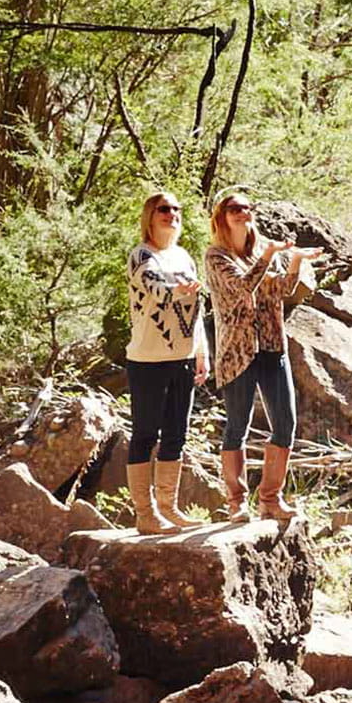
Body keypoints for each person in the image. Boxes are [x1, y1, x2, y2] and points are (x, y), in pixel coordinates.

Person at [204, 193, 323, 521]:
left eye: (247, 208)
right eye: (234, 209)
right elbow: (244, 287)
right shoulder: (215, 256)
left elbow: (283, 290)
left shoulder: (261, 250)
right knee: (237, 426)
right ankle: (236, 501)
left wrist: (296, 260)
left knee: (285, 422)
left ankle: (270, 499)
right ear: (222, 217)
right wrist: (270, 254)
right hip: (237, 352)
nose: (243, 213)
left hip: (272, 347)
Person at [124, 192, 210, 534]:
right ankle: (144, 514)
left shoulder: (184, 256)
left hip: (183, 357)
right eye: (163, 209)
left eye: (176, 209)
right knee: (145, 433)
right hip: (148, 358)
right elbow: (156, 289)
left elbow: (196, 311)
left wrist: (202, 352)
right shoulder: (141, 255)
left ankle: (167, 508)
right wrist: (182, 289)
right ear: (150, 215)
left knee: (176, 433)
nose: (171, 214)